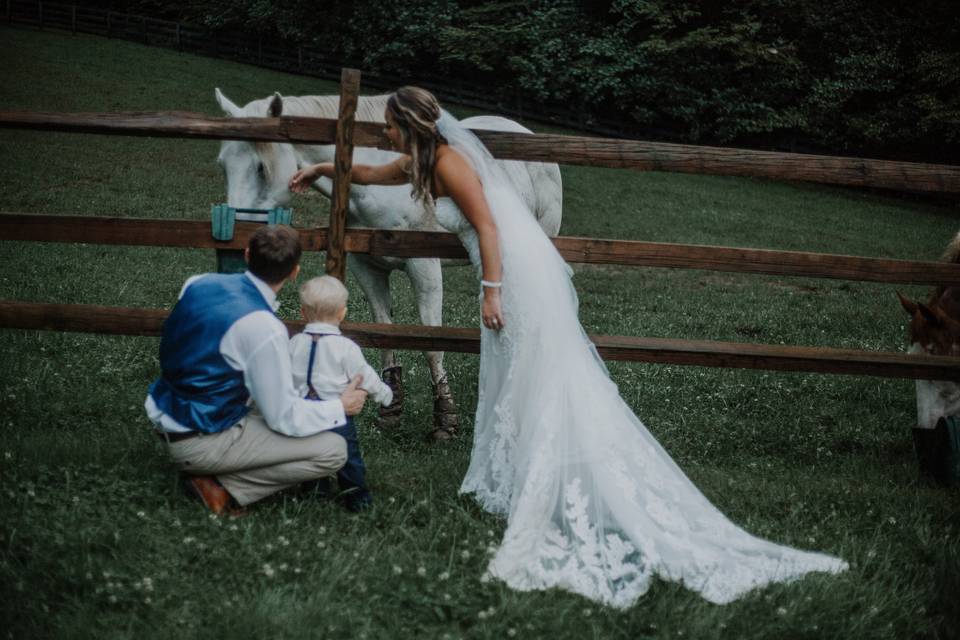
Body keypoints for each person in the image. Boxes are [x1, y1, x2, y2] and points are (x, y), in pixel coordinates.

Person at [288, 87, 848, 607]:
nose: (382, 133)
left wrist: (491, 291)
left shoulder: (451, 161)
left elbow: (486, 225)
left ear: (405, 124)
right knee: (517, 370)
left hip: (512, 272)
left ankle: (550, 470)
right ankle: (524, 466)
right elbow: (374, 172)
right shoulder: (421, 159)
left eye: (387, 126)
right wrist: (319, 167)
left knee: (537, 367)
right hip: (504, 269)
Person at [145, 225, 368, 515]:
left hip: (168, 412)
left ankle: (213, 473)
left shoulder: (198, 282)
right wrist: (339, 406)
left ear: (247, 255)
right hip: (200, 439)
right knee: (333, 450)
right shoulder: (265, 327)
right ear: (294, 272)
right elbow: (283, 417)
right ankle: (224, 487)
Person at [291, 275, 394, 510]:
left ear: (303, 313)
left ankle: (314, 494)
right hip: (338, 413)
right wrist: (384, 394)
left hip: (306, 411)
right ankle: (357, 499)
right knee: (349, 458)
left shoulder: (295, 343)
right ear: (342, 313)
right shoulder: (346, 348)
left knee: (311, 453)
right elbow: (364, 376)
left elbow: (284, 375)